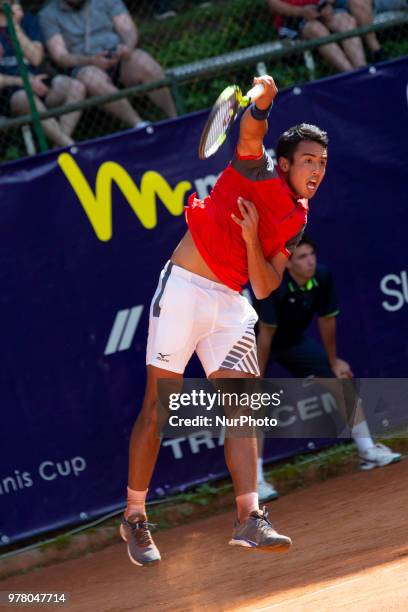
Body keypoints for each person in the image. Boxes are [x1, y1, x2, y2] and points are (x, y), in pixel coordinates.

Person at [119, 73, 330, 566]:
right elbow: (250, 136)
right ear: (284, 164)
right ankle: (133, 515)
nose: (317, 171)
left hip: (230, 303)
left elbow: (264, 285)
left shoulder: (297, 217)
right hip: (185, 291)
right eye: (308, 162)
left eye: (322, 164)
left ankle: (248, 518)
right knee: (159, 408)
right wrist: (262, 104)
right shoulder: (256, 170)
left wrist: (255, 237)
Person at [255, 235, 402, 501]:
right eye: (302, 257)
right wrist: (256, 377)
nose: (309, 261)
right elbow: (264, 335)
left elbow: (326, 321)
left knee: (341, 378)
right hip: (254, 341)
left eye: (311, 254)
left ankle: (368, 451)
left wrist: (333, 362)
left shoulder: (321, 277)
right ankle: (255, 481)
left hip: (291, 341)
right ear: (288, 264)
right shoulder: (274, 284)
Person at [39, 0, 177, 129]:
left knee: (142, 60)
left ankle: (175, 118)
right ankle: (140, 125)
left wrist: (127, 48)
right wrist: (90, 60)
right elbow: (60, 56)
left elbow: (128, 29)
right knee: (90, 77)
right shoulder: (48, 14)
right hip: (84, 64)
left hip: (118, 56)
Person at [0, 0, 85, 147]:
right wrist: (24, 82)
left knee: (76, 87)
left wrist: (15, 26)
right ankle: (70, 146)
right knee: (26, 98)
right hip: (10, 93)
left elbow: (36, 58)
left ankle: (59, 148)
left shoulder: (27, 20)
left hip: (40, 83)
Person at [268, 0, 368, 72]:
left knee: (346, 22)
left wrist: (327, 5)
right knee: (316, 30)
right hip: (294, 19)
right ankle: (351, 74)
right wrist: (300, 12)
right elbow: (273, 5)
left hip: (320, 9)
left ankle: (362, 69)